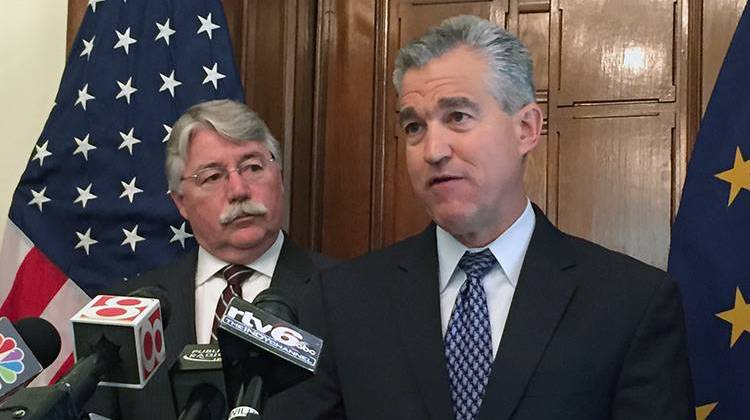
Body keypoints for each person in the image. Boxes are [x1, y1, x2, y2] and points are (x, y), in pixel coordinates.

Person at [269, 15, 695, 420]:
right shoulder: (343, 301)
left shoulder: (630, 302)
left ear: (526, 128)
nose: (433, 149)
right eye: (414, 126)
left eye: (458, 117)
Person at [86, 99, 334, 419]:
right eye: (213, 177)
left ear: (281, 177)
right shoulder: (129, 308)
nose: (239, 190)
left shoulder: (342, 296)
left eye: (253, 167)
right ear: (181, 203)